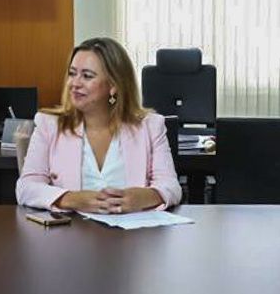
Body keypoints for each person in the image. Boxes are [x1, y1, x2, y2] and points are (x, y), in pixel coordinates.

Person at [16, 37, 181, 213]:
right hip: (70, 235)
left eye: (87, 76)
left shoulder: (150, 126)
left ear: (113, 86)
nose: (75, 83)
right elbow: (26, 187)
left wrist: (143, 197)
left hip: (133, 236)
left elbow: (171, 186)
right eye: (72, 73)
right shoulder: (49, 124)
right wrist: (72, 199)